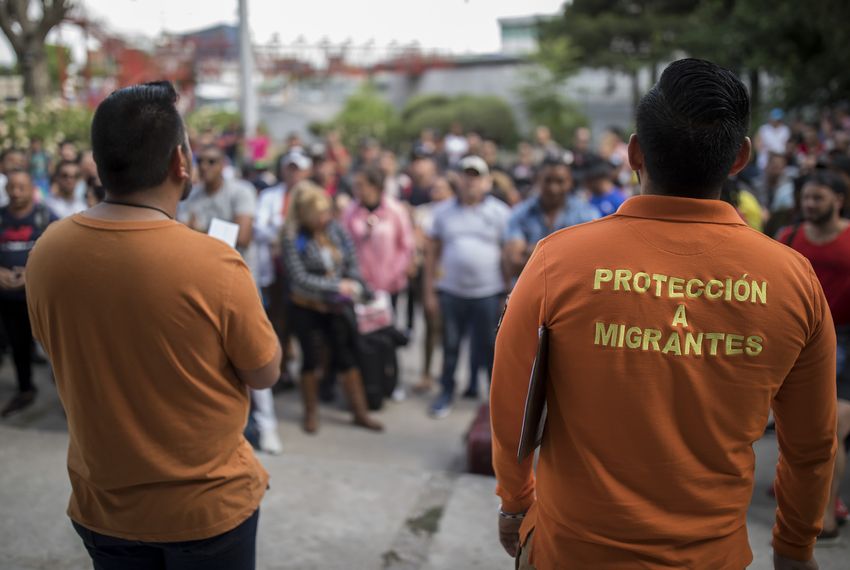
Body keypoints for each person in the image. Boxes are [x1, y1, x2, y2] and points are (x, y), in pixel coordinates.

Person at [491, 59, 836, 570]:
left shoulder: (557, 262)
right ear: (740, 158)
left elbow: (510, 404)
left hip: (569, 552)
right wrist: (794, 546)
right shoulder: (793, 280)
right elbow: (812, 444)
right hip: (712, 558)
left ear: (635, 153)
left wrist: (515, 500)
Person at [26, 81, 281, 569]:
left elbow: (53, 347)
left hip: (105, 507)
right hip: (207, 508)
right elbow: (265, 373)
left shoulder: (48, 251)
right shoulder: (215, 263)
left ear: (99, 163)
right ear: (179, 162)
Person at [776, 170, 850, 544]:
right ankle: (800, 488)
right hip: (798, 337)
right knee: (793, 425)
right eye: (806, 197)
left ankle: (826, 515)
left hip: (845, 341)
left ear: (839, 200)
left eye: (818, 197)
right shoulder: (788, 238)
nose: (809, 204)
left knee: (832, 427)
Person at [281, 181, 383, 434]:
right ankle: (310, 412)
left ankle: (360, 411)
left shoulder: (335, 229)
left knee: (345, 355)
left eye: (327, 212)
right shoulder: (292, 236)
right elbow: (299, 278)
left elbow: (351, 260)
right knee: (310, 358)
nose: (325, 218)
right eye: (319, 214)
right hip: (305, 305)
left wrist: (358, 285)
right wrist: (337, 285)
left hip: (335, 307)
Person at [424, 156, 511, 417]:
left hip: (488, 292)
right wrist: (429, 291)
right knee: (450, 346)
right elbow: (432, 253)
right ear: (459, 180)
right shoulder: (443, 212)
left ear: (486, 182)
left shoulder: (500, 212)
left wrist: (508, 292)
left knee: (489, 347)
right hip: (451, 291)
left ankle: (494, 400)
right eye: (466, 176)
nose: (471, 182)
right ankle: (446, 392)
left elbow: (507, 254)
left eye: (476, 176)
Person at [0, 170, 57, 417]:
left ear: (32, 188)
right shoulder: (1, 216)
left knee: (54, 347)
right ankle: (25, 389)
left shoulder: (45, 216)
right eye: (12, 187)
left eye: (21, 187)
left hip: (40, 298)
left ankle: (67, 394)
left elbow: (62, 251)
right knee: (18, 346)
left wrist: (32, 274)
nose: (16, 192)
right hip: (9, 300)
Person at [504, 158, 599, 279]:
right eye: (547, 181)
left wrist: (533, 250)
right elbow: (515, 263)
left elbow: (590, 260)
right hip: (532, 288)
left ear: (570, 182)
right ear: (537, 180)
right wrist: (567, 252)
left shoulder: (586, 213)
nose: (553, 188)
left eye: (560, 181)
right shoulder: (521, 213)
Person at [343, 165, 414, 309]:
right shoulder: (350, 211)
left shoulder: (395, 210)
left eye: (361, 185)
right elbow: (344, 243)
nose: (356, 189)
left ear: (374, 186)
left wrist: (395, 272)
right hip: (360, 284)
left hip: (390, 284)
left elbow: (406, 244)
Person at [179, 145, 256, 254]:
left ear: (223, 165)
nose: (204, 166)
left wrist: (198, 232)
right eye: (200, 161)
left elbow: (242, 238)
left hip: (236, 262)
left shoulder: (241, 191)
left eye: (211, 162)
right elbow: (181, 232)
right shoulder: (191, 194)